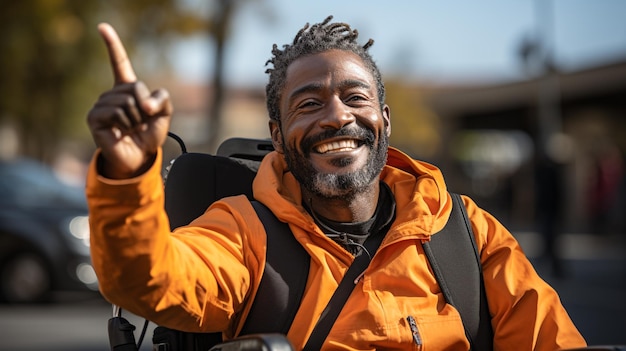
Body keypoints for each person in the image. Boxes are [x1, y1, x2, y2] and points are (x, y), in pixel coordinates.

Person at [86, 16, 587, 350]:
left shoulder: (467, 232)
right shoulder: (243, 232)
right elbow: (147, 281)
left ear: (384, 120)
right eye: (309, 104)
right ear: (278, 137)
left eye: (355, 97)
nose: (337, 117)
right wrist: (127, 174)